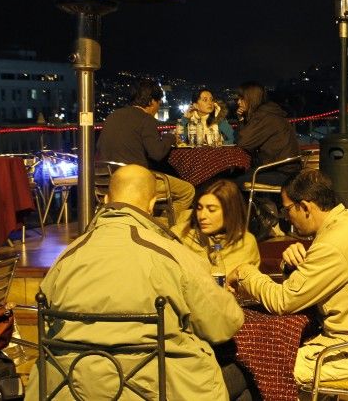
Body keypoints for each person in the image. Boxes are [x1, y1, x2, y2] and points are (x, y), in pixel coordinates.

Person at [27, 165, 246, 400]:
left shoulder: (66, 258)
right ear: (152, 204)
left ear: (106, 199)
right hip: (157, 389)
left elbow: (48, 324)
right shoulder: (171, 255)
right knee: (245, 378)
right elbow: (223, 324)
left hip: (70, 389)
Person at [227, 170, 348, 387]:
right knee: (266, 359)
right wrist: (292, 268)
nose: (285, 217)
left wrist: (244, 272)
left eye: (286, 209)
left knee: (264, 369)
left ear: (305, 207)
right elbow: (310, 286)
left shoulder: (334, 242)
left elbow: (282, 301)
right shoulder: (345, 224)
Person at [97, 79, 195, 225]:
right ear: (151, 102)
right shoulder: (146, 119)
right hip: (135, 182)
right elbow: (157, 153)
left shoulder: (112, 116)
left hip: (107, 182)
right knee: (187, 191)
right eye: (158, 102)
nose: (158, 106)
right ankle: (158, 226)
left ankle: (147, 222)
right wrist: (170, 137)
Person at [173, 179, 260, 275]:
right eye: (199, 208)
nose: (202, 216)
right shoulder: (180, 235)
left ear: (230, 212)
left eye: (211, 210)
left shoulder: (245, 243)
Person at [235, 81, 301, 187]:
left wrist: (241, 120)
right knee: (241, 175)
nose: (238, 102)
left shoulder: (263, 116)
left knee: (235, 181)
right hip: (287, 169)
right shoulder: (269, 112)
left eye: (241, 98)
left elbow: (243, 142)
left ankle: (253, 204)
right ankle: (258, 203)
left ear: (250, 98)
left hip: (283, 173)